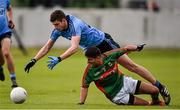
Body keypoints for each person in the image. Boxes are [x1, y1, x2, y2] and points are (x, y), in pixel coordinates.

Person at [24, 9, 170, 105]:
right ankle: (119, 93)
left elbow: (74, 48)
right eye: (54, 25)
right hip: (92, 50)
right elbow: (47, 46)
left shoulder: (75, 24)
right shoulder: (58, 29)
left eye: (57, 24)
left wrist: (59, 59)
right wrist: (34, 60)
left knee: (131, 66)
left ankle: (159, 86)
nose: (55, 27)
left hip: (104, 43)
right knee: (96, 74)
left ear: (63, 21)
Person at [78, 45, 165, 105]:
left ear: (98, 57)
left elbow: (126, 48)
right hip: (116, 95)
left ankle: (156, 102)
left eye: (90, 59)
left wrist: (137, 47)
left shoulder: (110, 55)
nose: (88, 62)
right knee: (146, 105)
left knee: (155, 90)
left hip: (125, 82)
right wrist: (81, 102)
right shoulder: (90, 71)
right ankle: (151, 104)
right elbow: (84, 86)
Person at [0, 0, 18, 88]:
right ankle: (0, 67)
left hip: (5, 32)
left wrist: (10, 19)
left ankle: (13, 79)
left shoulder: (4, 0)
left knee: (6, 53)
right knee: (1, 61)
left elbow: (9, 9)